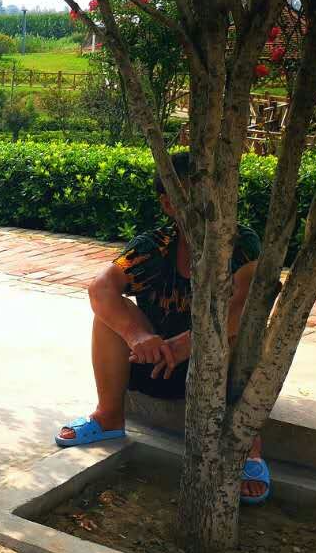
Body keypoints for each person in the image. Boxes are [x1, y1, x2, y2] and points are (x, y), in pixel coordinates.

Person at [56, 151, 272, 503]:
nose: (205, 205)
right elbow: (100, 288)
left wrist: (188, 344)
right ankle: (108, 416)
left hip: (213, 366)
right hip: (155, 362)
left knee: (241, 333)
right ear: (168, 204)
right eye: (191, 195)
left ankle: (248, 448)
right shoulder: (154, 246)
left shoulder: (240, 245)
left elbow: (245, 304)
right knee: (108, 316)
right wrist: (140, 337)